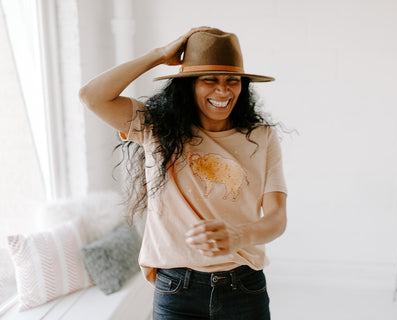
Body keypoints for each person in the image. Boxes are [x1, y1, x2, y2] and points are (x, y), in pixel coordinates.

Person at [79, 26, 287, 320]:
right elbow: (91, 96)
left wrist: (240, 235)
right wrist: (158, 55)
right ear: (189, 84)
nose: (223, 90)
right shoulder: (156, 127)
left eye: (232, 80)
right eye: (209, 80)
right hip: (177, 290)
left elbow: (277, 219)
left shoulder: (261, 137)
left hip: (244, 287)